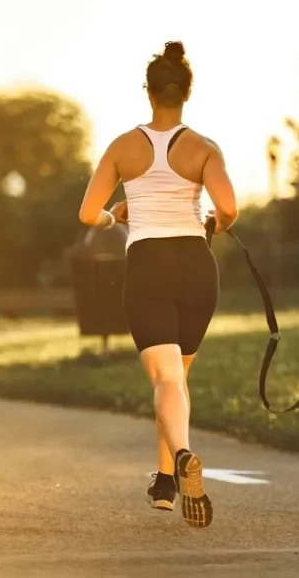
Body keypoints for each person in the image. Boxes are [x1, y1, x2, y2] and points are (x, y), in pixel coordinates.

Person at [77, 40, 238, 528]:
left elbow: (87, 212)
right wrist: (215, 224)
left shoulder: (123, 147)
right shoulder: (205, 148)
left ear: (148, 92)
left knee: (166, 379)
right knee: (177, 379)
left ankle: (183, 456)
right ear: (187, 92)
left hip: (148, 264)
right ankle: (166, 482)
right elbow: (228, 209)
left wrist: (113, 217)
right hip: (195, 264)